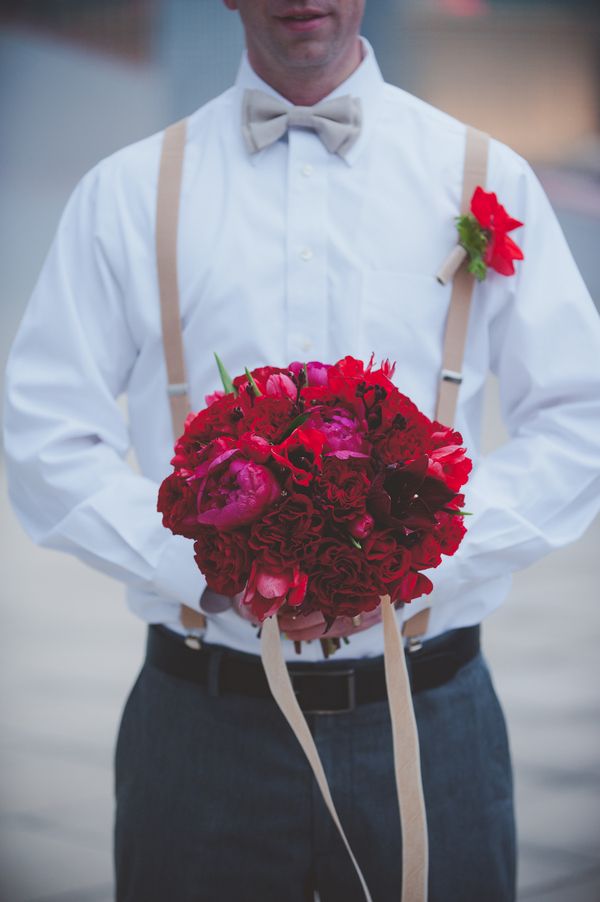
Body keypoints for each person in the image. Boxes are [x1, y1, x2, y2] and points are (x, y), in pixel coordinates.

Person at [4, 1, 600, 900]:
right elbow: (45, 432)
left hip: (429, 716)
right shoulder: (130, 192)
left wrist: (417, 556)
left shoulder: (484, 177)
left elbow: (579, 416)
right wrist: (210, 564)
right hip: (203, 725)